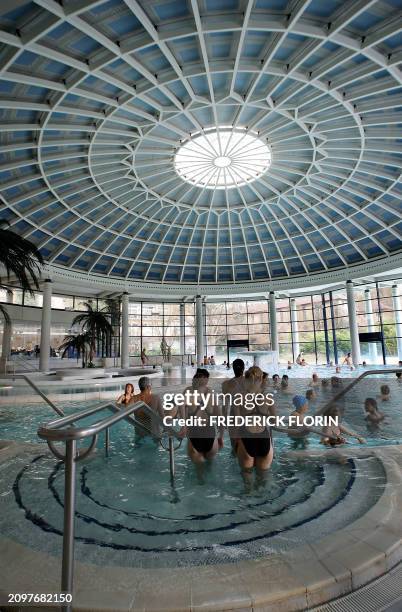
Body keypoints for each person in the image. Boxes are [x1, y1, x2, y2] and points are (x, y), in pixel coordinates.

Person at [233, 366, 275, 473]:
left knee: (247, 482)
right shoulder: (268, 398)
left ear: (245, 380)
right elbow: (274, 421)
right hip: (264, 438)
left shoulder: (239, 398)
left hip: (246, 437)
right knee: (263, 479)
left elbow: (236, 423)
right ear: (261, 379)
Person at [180, 368, 223, 464]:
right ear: (206, 380)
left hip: (194, 435)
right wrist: (221, 436)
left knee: (199, 474)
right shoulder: (212, 394)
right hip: (210, 436)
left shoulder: (188, 392)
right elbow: (220, 417)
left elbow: (181, 405)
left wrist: (183, 425)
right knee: (210, 467)